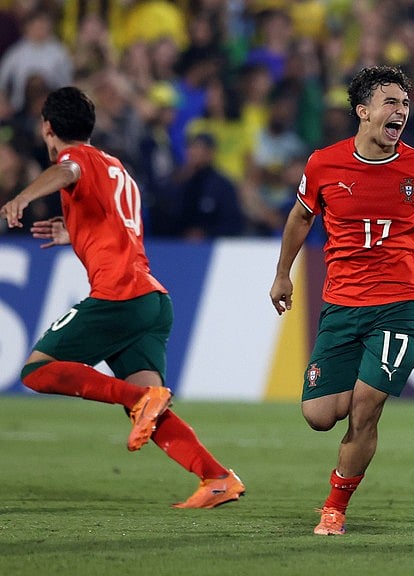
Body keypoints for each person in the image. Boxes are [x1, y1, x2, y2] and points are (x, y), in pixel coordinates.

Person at [269, 65, 414, 536]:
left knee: (367, 404)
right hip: (342, 303)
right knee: (319, 415)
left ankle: (335, 507)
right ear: (363, 111)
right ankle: (358, 414)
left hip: (401, 301)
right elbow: (300, 217)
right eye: (391, 102)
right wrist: (282, 274)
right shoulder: (324, 164)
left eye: (405, 103)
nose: (401, 111)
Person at [0, 86, 244, 509]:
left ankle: (139, 400)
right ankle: (217, 477)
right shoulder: (117, 167)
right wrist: (75, 231)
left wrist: (23, 196)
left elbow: (68, 169)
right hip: (150, 300)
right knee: (151, 411)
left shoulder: (77, 159)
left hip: (119, 296)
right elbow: (118, 223)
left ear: (47, 127)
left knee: (37, 371)